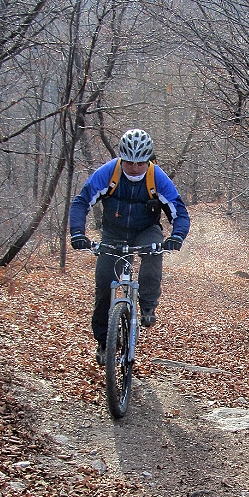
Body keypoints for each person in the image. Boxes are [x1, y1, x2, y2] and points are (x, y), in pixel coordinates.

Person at [69, 129, 190, 365]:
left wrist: (177, 236)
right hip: (113, 233)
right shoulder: (108, 173)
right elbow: (82, 202)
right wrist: (77, 233)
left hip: (145, 230)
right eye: (129, 162)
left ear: (148, 160)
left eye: (140, 163)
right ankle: (104, 341)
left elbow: (179, 212)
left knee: (153, 253)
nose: (134, 168)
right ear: (121, 158)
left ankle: (148, 306)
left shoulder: (157, 178)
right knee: (104, 284)